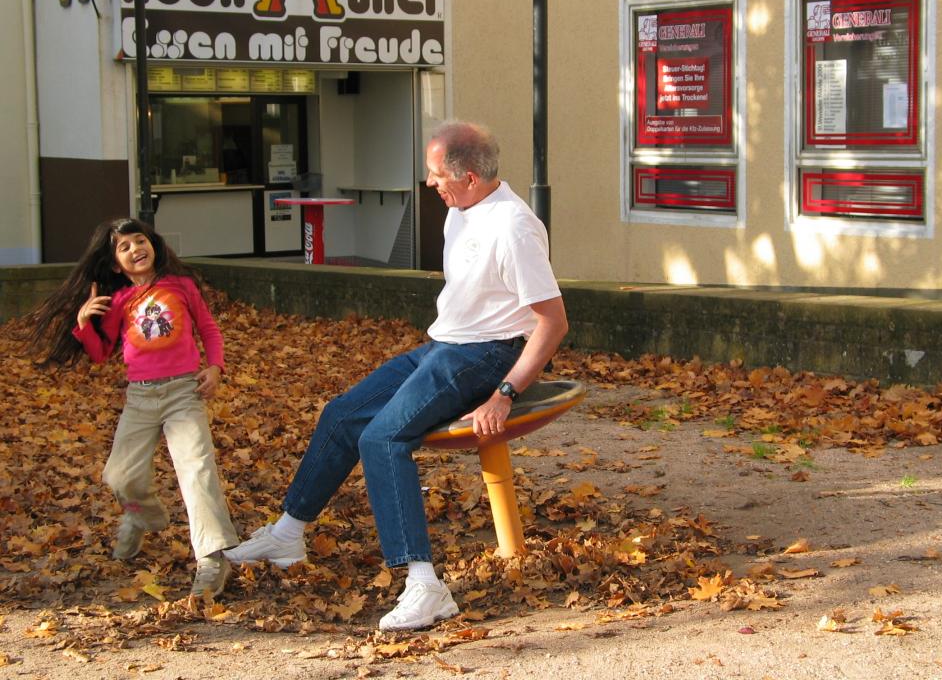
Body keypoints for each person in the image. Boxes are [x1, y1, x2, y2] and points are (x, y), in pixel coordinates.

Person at [226, 120, 569, 630]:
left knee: (383, 438)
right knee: (343, 415)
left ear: (469, 176)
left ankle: (424, 584)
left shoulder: (513, 227)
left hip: (487, 356)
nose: (430, 183)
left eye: (436, 175)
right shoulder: (461, 210)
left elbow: (553, 322)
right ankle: (288, 532)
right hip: (444, 345)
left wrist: (503, 394)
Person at [24, 218, 238, 597]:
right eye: (124, 247)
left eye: (140, 240)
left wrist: (215, 366)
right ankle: (143, 513)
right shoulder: (119, 300)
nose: (136, 249)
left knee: (197, 471)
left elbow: (209, 329)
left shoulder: (181, 286)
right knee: (119, 476)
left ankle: (213, 557)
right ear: (113, 264)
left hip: (183, 393)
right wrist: (84, 323)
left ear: (152, 244)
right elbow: (100, 354)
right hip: (140, 398)